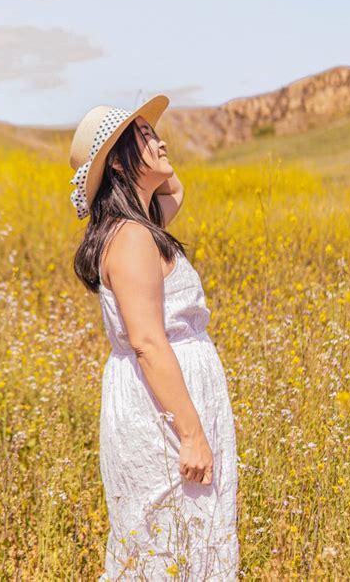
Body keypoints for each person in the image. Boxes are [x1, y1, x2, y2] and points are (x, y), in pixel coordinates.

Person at [69, 96, 239, 580]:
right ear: (119, 161)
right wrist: (191, 435)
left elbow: (175, 189)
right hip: (160, 407)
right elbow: (147, 341)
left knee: (186, 533)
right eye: (145, 137)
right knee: (163, 540)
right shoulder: (132, 239)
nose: (161, 140)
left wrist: (146, 152)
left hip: (169, 395)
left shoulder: (144, 225)